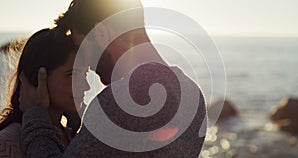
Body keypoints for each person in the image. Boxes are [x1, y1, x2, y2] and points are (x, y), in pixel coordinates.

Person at [20, 0, 207, 157]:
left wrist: (35, 116)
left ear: (101, 33)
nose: (87, 63)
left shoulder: (119, 102)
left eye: (83, 48)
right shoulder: (193, 96)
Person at [0, 28, 89, 157]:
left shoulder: (71, 136)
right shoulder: (7, 145)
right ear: (37, 78)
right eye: (72, 75)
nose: (86, 86)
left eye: (85, 75)